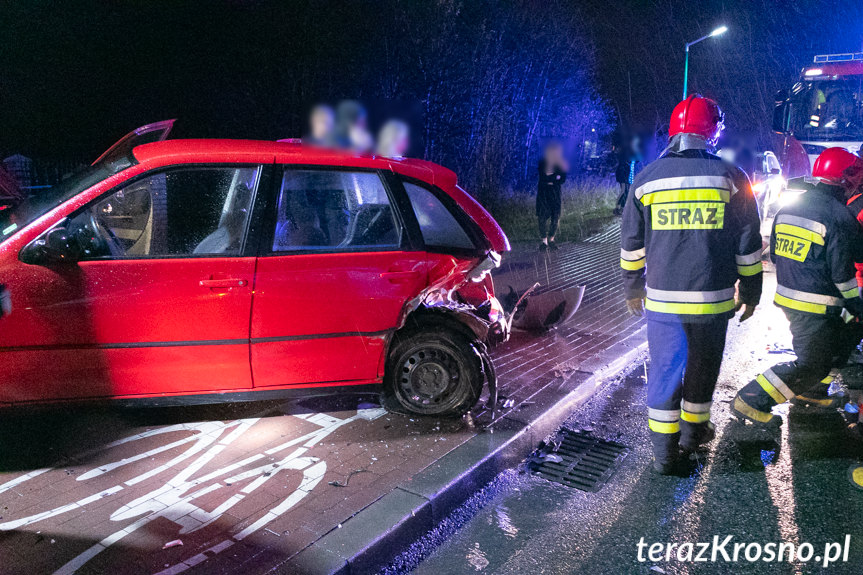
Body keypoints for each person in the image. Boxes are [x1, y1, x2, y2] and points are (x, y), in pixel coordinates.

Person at [621, 94, 763, 474]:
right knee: (702, 370)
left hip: (663, 304)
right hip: (713, 305)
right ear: (713, 132)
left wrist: (633, 289)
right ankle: (692, 436)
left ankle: (664, 455)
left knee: (665, 373)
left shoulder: (646, 178)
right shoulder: (733, 178)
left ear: (673, 131)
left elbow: (631, 246)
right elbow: (748, 248)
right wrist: (750, 293)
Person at [733, 147, 863, 429]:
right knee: (811, 364)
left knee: (833, 347)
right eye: (854, 176)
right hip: (817, 303)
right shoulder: (839, 217)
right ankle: (751, 398)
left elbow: (777, 255)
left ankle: (811, 392)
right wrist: (856, 305)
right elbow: (843, 275)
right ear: (844, 179)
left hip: (789, 296)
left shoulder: (789, 208)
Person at [537, 141, 568, 250]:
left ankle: (551, 239)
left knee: (555, 217)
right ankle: (544, 241)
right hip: (543, 194)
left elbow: (562, 179)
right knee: (542, 217)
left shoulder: (560, 164)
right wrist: (555, 178)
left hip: (555, 194)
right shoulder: (542, 163)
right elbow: (543, 178)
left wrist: (551, 179)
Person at [613, 135, 639, 216]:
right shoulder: (626, 150)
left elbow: (637, 159)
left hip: (627, 174)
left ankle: (623, 208)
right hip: (622, 174)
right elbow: (623, 160)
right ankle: (617, 208)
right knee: (624, 191)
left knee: (627, 191)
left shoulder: (632, 150)